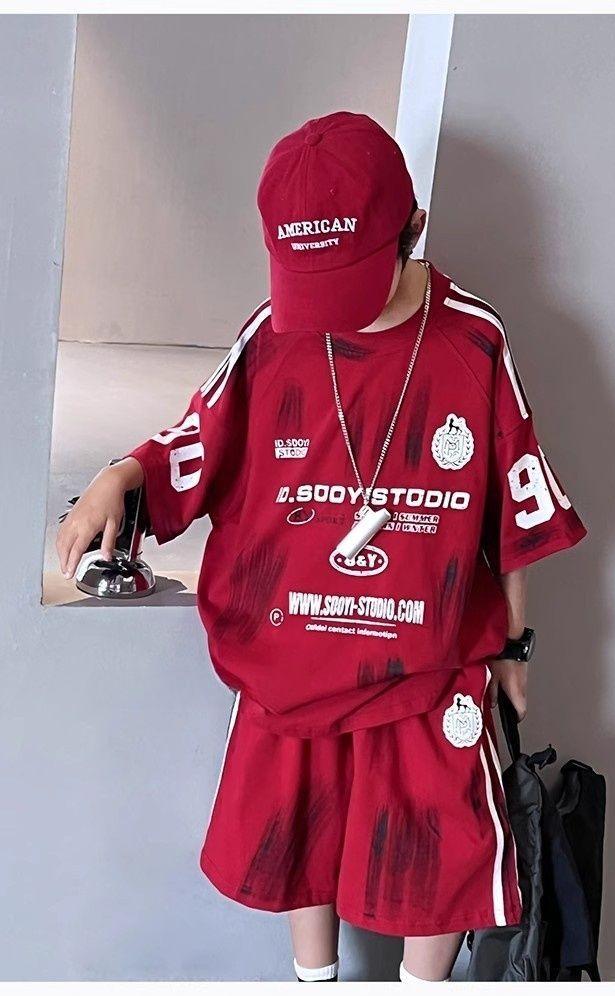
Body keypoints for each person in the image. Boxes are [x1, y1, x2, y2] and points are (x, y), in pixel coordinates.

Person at [56, 110, 587, 983]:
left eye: (347, 278)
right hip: (296, 643)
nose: (327, 312)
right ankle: (316, 977)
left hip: (427, 654)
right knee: (297, 833)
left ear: (412, 228)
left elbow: (517, 500)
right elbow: (199, 436)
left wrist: (516, 645)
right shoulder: (273, 331)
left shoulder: (473, 338)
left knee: (441, 852)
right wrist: (125, 472)